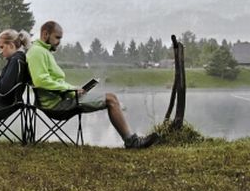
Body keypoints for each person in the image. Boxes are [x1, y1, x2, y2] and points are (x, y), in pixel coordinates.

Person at [27, 20, 159, 149]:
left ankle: (132, 140)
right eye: (57, 38)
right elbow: (41, 81)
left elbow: (54, 81)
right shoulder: (37, 52)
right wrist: (71, 89)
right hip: (57, 105)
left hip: (64, 99)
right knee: (111, 99)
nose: (59, 42)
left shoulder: (43, 51)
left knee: (111, 98)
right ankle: (132, 142)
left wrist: (75, 89)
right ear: (45, 34)